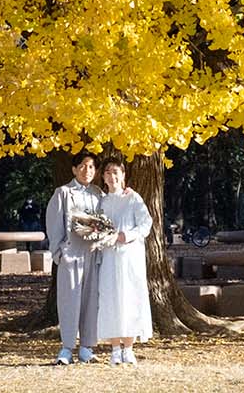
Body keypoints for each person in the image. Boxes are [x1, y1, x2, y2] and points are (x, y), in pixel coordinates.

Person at [92, 156, 153, 364]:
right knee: (110, 299)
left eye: (116, 172)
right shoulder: (100, 201)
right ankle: (115, 348)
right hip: (108, 257)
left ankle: (129, 347)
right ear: (103, 177)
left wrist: (124, 236)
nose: (112, 176)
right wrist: (101, 238)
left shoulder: (133, 198)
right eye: (108, 172)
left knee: (130, 299)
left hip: (130, 257)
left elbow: (145, 225)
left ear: (123, 175)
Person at [43, 151, 103, 365]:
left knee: (91, 301)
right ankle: (67, 347)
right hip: (71, 256)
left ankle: (87, 347)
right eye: (84, 166)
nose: (87, 171)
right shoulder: (63, 193)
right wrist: (59, 253)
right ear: (74, 169)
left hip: (93, 255)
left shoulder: (98, 194)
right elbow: (53, 225)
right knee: (69, 301)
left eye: (92, 167)